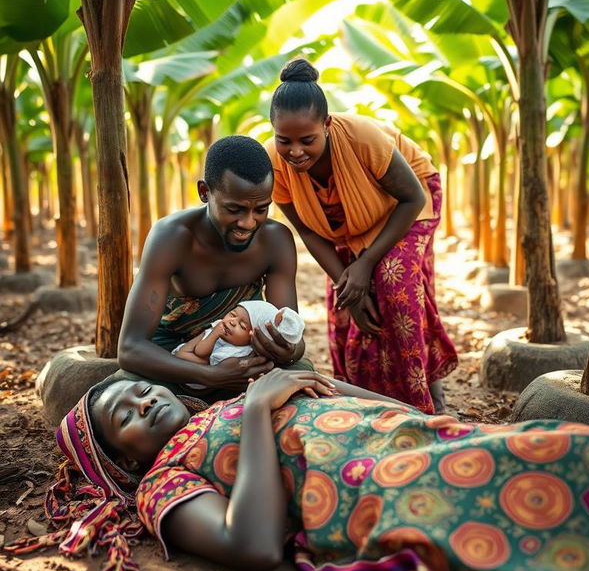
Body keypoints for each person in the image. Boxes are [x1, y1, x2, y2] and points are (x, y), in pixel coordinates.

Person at [10, 372, 589, 571]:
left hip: (409, 442)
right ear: (119, 457)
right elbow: (251, 544)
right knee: (546, 483)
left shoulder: (228, 399)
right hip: (373, 491)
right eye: (125, 413)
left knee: (570, 446)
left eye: (140, 389)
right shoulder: (163, 484)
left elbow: (334, 390)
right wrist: (258, 410)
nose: (146, 400)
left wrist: (437, 426)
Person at [265, 58, 458, 413]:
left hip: (407, 200)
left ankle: (426, 396)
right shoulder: (274, 164)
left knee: (392, 279)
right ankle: (368, 399)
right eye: (284, 141)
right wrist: (346, 283)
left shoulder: (361, 137)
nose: (295, 152)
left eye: (307, 140)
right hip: (341, 223)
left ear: (326, 124)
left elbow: (412, 197)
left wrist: (366, 262)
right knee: (349, 303)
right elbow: (307, 228)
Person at [117, 136, 308, 401]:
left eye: (261, 209)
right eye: (235, 209)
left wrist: (288, 350)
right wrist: (210, 375)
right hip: (177, 363)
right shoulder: (171, 237)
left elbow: (292, 333)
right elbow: (130, 348)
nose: (248, 223)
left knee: (305, 383)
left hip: (246, 365)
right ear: (205, 192)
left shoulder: (276, 241)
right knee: (129, 409)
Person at [172, 300, 305, 387]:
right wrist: (214, 334)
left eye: (242, 326)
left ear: (253, 339)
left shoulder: (242, 353)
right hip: (185, 368)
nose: (232, 321)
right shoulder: (217, 328)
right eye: (232, 314)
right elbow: (198, 352)